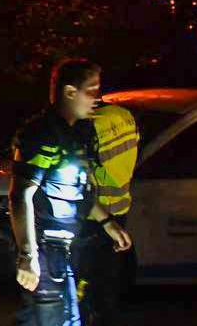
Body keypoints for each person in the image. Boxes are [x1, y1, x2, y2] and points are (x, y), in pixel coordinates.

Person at [8, 58, 132, 326]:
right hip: (45, 249)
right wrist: (28, 256)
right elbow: (20, 195)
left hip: (65, 249)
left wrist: (107, 222)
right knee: (59, 320)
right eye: (91, 90)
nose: (97, 98)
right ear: (69, 92)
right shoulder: (42, 134)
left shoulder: (80, 132)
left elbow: (80, 190)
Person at [74, 102, 139, 326]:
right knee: (107, 285)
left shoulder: (87, 125)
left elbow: (81, 181)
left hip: (94, 217)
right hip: (119, 211)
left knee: (83, 286)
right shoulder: (125, 115)